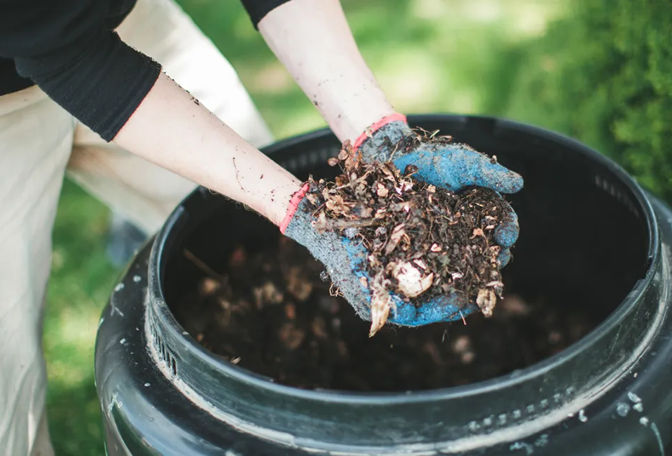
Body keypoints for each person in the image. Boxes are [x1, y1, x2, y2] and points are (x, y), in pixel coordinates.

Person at [0, 0, 522, 453]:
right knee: (8, 390)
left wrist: (378, 135)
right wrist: (301, 210)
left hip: (113, 25)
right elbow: (67, 52)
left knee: (259, 260)